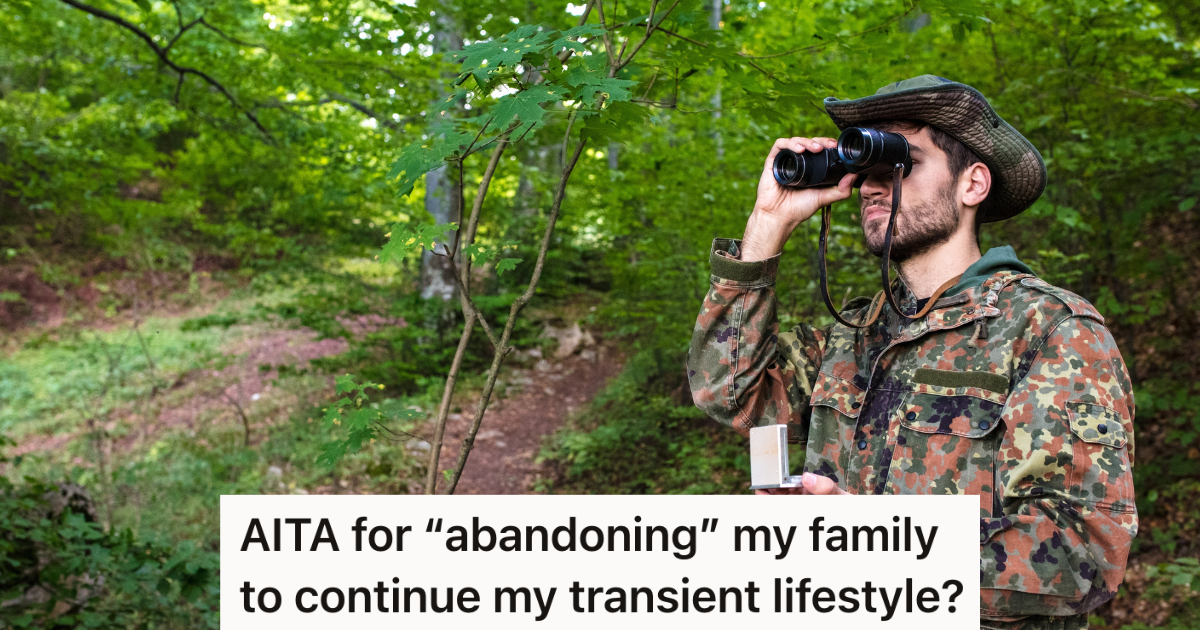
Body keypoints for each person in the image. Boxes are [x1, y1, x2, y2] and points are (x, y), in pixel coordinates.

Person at [686, 75, 1136, 630]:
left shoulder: (1048, 330)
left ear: (973, 184)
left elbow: (1082, 557)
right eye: (867, 171)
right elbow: (729, 393)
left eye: (901, 165)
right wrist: (768, 223)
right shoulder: (853, 333)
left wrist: (877, 546)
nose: (874, 188)